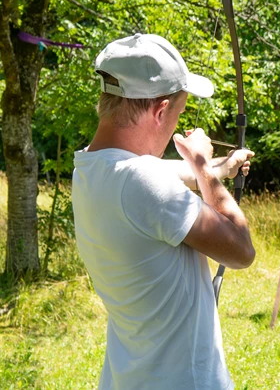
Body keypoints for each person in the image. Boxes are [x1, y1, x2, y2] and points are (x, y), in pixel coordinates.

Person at [72, 33, 255, 390]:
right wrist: (203, 167)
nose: (176, 121)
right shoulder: (142, 181)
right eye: (178, 112)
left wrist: (221, 166)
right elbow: (241, 251)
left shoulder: (89, 168)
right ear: (159, 111)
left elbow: (159, 178)